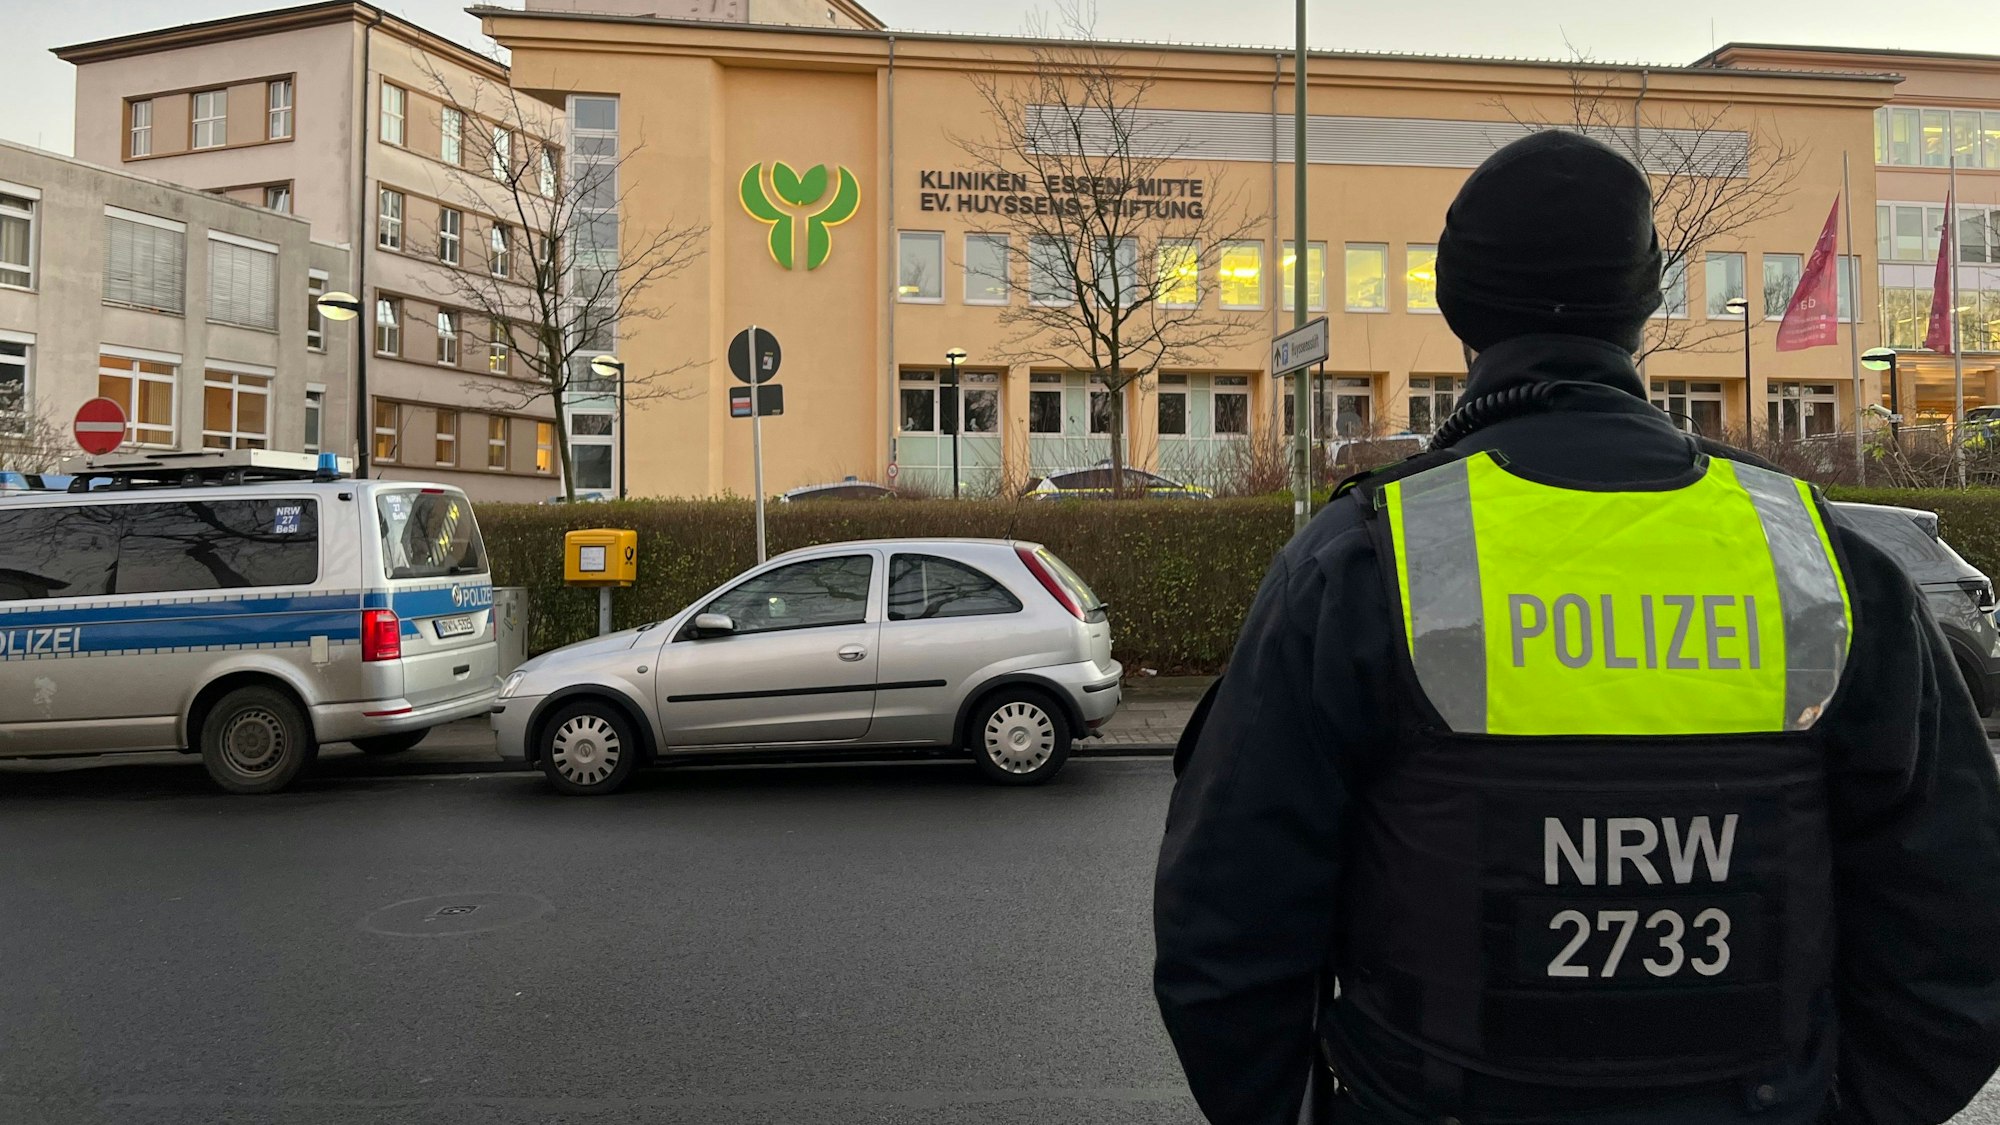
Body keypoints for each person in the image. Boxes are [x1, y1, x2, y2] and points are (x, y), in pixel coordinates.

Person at [1153, 130, 2000, 1125]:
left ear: (1454, 306)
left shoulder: (1359, 563)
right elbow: (1956, 921)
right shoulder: (1816, 560)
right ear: (1642, 304)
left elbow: (1225, 932)